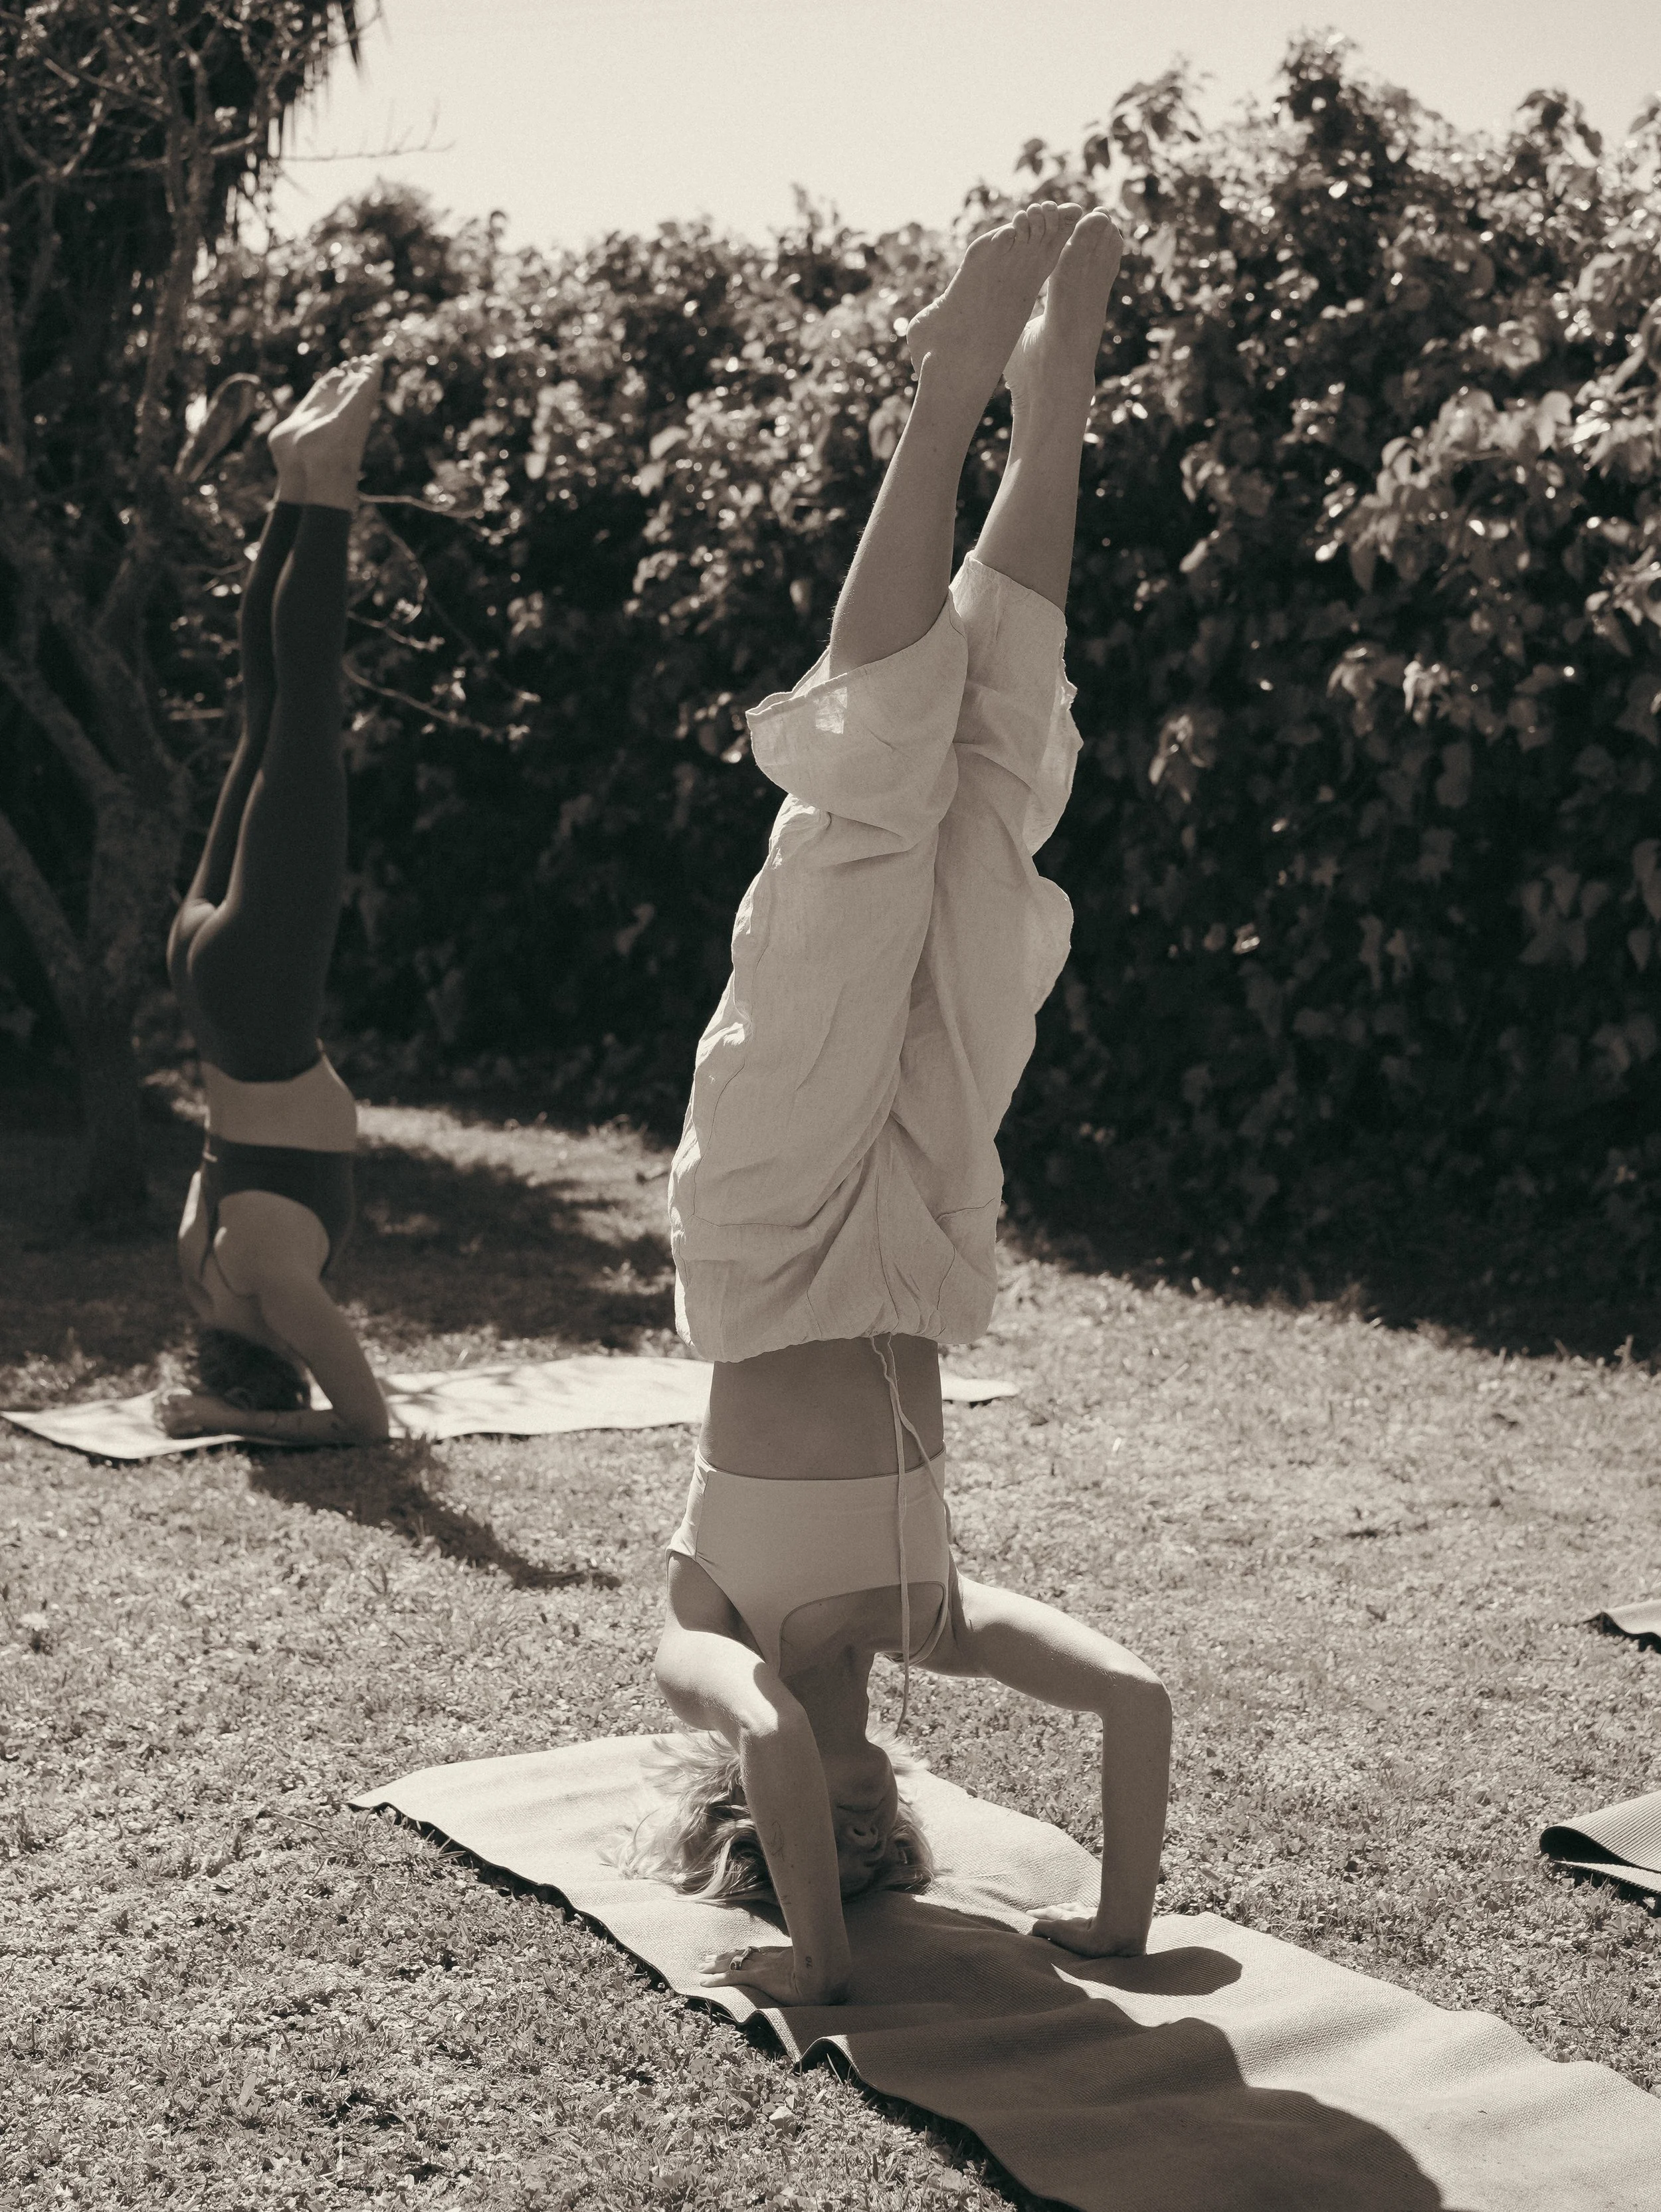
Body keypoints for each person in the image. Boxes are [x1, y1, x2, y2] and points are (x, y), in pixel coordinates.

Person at [633, 203, 1171, 2008]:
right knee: (972, 807)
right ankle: (1050, 398)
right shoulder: (903, 1629)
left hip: (798, 1236)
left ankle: (962, 396)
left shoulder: (727, 1648)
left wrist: (824, 1951)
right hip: (905, 1232)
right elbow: (1134, 1698)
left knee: (885, 813)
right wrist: (1102, 1919)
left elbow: (1117, 1708)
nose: (844, 1784)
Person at [159, 362, 390, 1448]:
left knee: (303, 717)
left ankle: (328, 482)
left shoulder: (268, 1275)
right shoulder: (206, 1269)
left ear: (271, 1367)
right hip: (205, 980)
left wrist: (223, 1420)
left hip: (259, 1007)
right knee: (266, 714)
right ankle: (299, 479)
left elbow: (367, 1423)